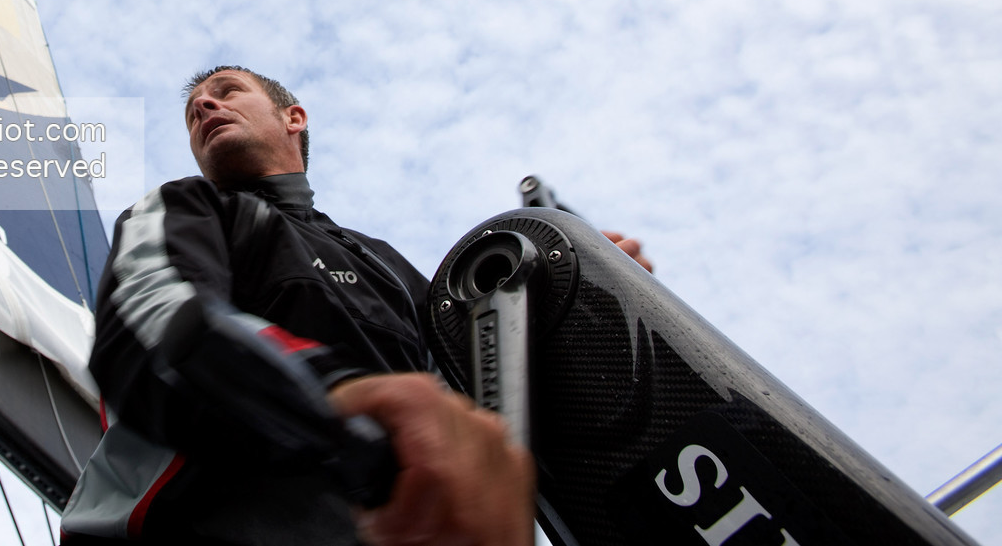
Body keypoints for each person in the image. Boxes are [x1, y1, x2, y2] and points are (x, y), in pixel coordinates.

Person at [60, 66, 650, 545]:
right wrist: (345, 409)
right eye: (194, 113)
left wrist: (594, 306)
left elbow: (492, 401)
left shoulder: (391, 266)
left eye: (227, 92)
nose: (206, 109)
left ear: (293, 118)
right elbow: (152, 326)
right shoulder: (185, 209)